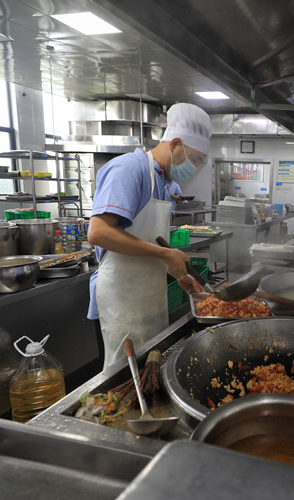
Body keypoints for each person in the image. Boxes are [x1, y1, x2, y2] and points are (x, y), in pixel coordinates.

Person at [87, 103, 209, 370]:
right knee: (125, 377)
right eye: (195, 159)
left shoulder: (162, 182)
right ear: (175, 144)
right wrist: (165, 253)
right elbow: (98, 232)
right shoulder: (129, 169)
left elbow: (147, 244)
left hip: (149, 298)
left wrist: (175, 270)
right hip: (123, 299)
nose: (195, 167)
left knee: (151, 368)